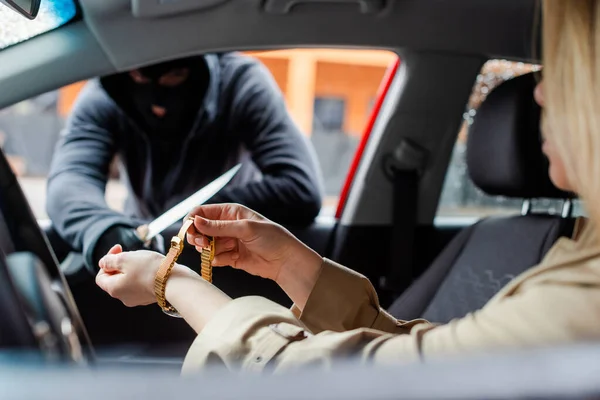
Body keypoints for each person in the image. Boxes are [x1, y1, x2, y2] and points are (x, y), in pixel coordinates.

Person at [95, 0, 600, 373]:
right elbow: (427, 354)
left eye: (571, 63)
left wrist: (173, 282)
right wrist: (291, 263)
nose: (540, 88)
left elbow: (341, 381)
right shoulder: (576, 260)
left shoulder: (585, 297)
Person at [46, 53, 323, 272]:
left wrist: (196, 215)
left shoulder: (241, 84)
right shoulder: (105, 94)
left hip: (224, 256)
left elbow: (299, 188)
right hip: (140, 250)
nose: (158, 105)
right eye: (141, 77)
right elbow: (70, 180)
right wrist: (104, 228)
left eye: (175, 76)